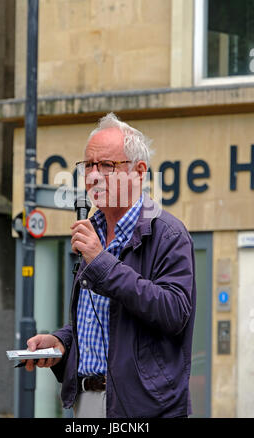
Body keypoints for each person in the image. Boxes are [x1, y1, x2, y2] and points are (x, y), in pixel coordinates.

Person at [25, 112, 196, 418]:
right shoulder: (94, 231)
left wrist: (103, 264)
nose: (92, 175)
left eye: (106, 165)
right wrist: (61, 342)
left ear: (138, 171)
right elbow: (99, 319)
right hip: (85, 401)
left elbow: (174, 312)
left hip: (143, 407)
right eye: (88, 165)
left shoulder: (169, 234)